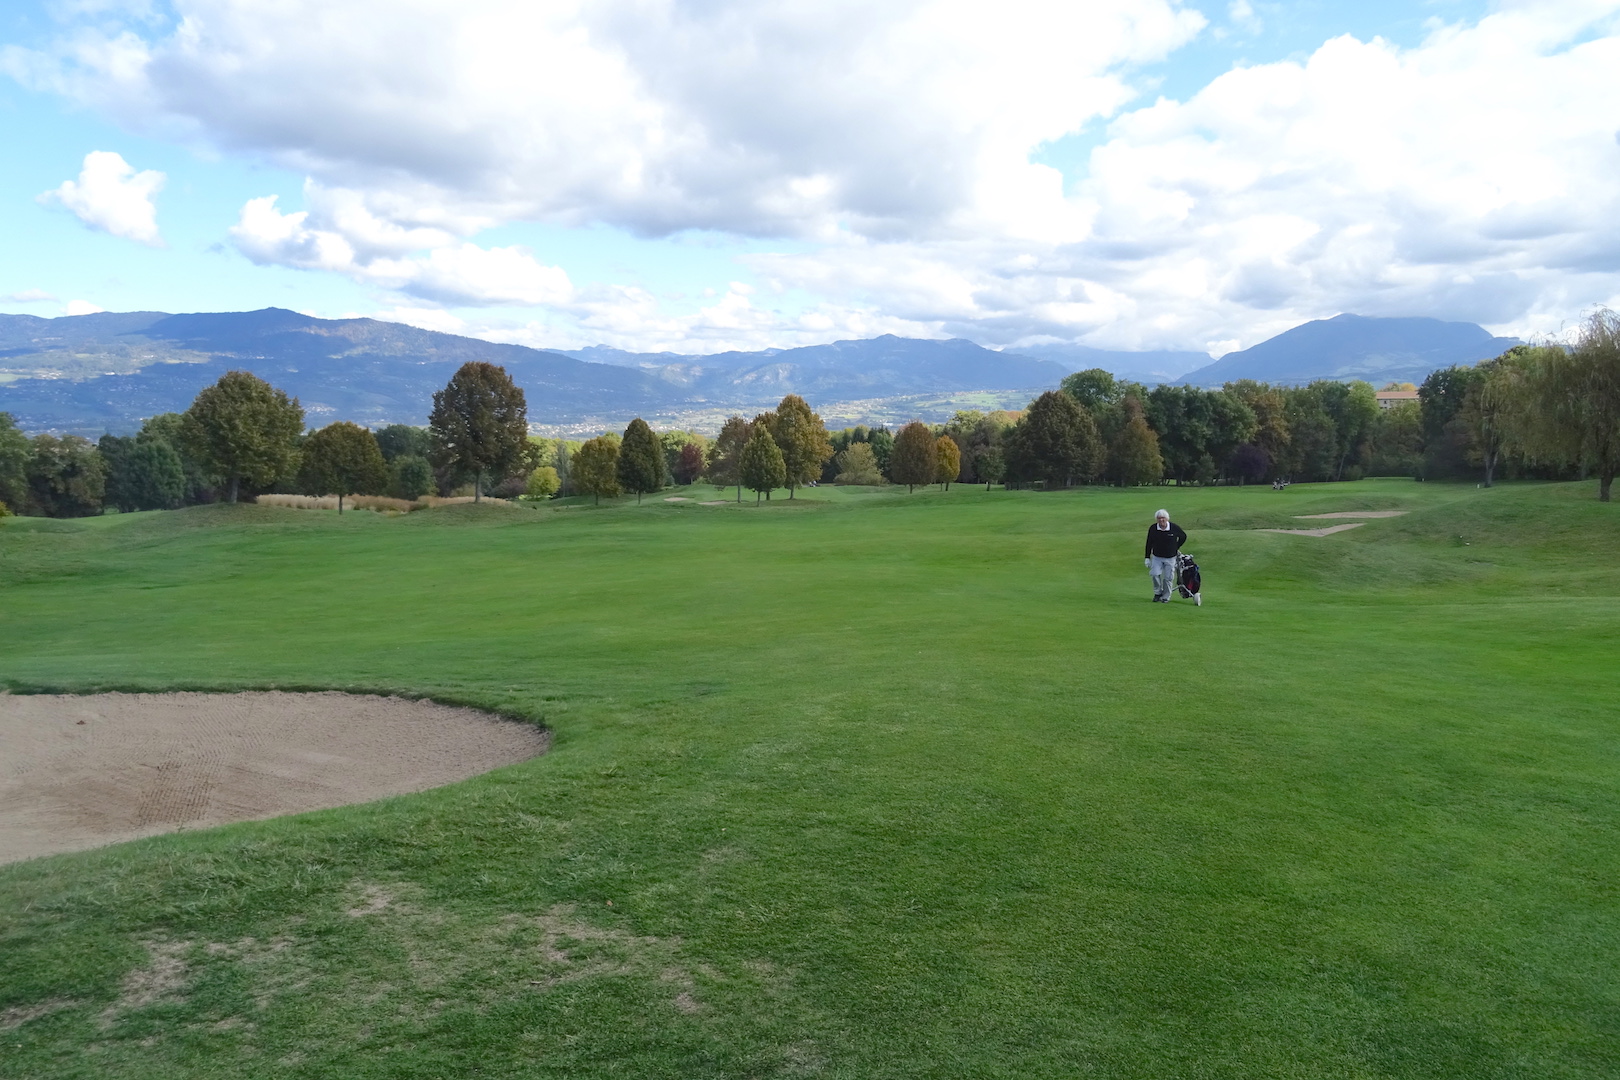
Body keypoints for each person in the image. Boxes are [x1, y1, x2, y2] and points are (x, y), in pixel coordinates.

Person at [1144, 508, 1186, 603]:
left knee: (1168, 578)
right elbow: (1149, 543)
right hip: (1157, 557)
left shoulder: (1173, 527)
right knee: (1155, 574)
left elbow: (1183, 536)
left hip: (1170, 558)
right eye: (1159, 518)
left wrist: (1176, 546)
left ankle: (1166, 597)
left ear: (1167, 518)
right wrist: (1147, 557)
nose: (1161, 520)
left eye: (1163, 518)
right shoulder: (1153, 528)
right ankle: (1158, 593)